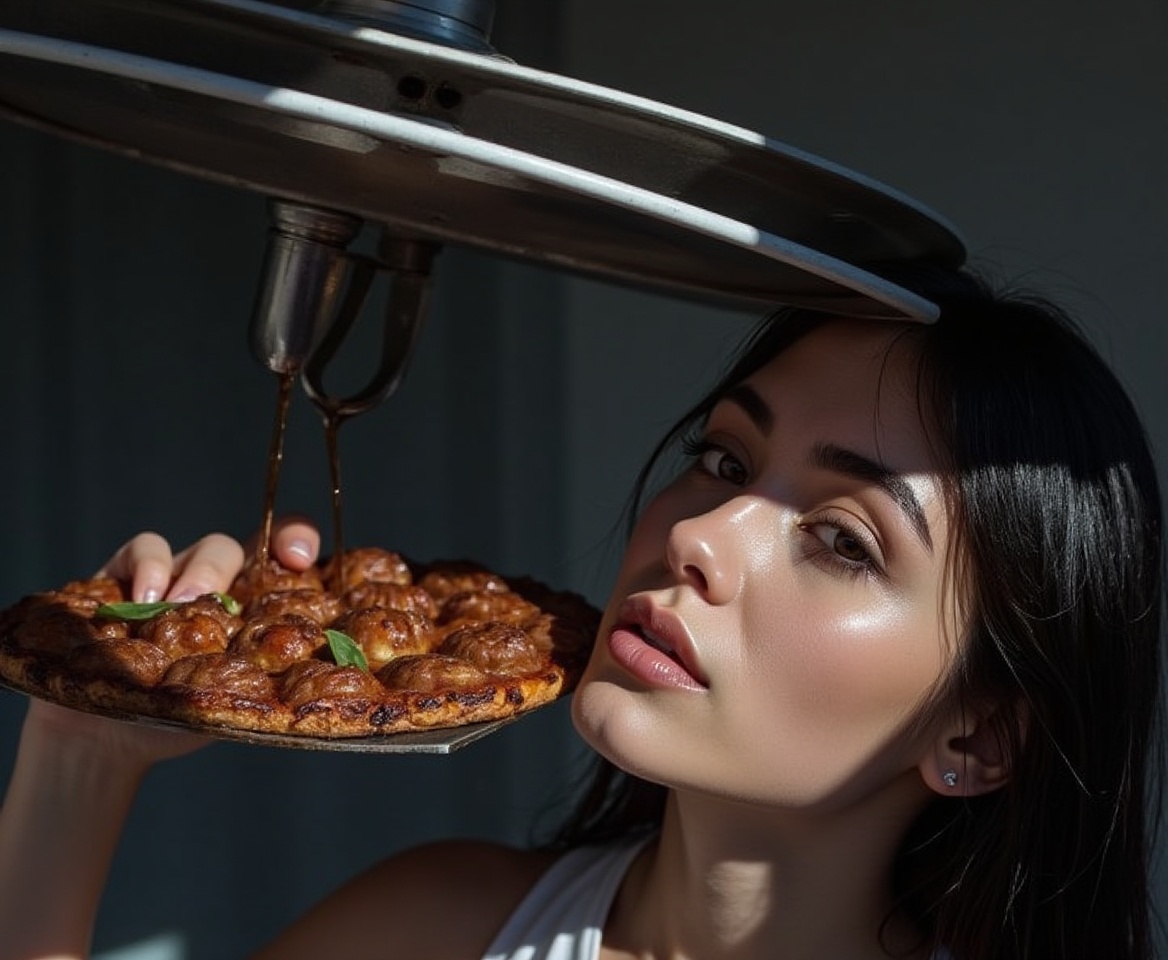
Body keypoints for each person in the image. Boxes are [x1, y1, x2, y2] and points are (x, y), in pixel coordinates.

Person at [0, 264, 1163, 960]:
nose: (699, 535)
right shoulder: (436, 929)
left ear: (979, 733)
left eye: (842, 540)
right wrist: (81, 756)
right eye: (723, 457)